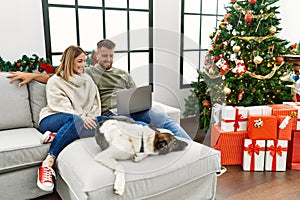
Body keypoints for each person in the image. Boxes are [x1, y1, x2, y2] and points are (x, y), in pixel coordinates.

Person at [7, 39, 191, 140]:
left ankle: (191, 149)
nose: (108, 59)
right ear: (97, 56)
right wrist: (32, 76)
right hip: (110, 112)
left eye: (111, 56)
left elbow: (136, 94)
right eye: (104, 56)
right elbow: (59, 77)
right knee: (130, 127)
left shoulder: (123, 74)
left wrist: (142, 101)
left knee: (160, 116)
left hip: (132, 108)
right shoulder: (88, 73)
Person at [36, 45, 102, 192]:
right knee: (76, 121)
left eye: (85, 61)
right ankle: (47, 163)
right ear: (69, 61)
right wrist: (81, 119)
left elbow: (94, 106)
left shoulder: (88, 81)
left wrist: (90, 119)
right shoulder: (55, 81)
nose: (84, 65)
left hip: (78, 121)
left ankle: (57, 136)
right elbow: (60, 106)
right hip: (52, 119)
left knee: (104, 121)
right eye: (80, 61)